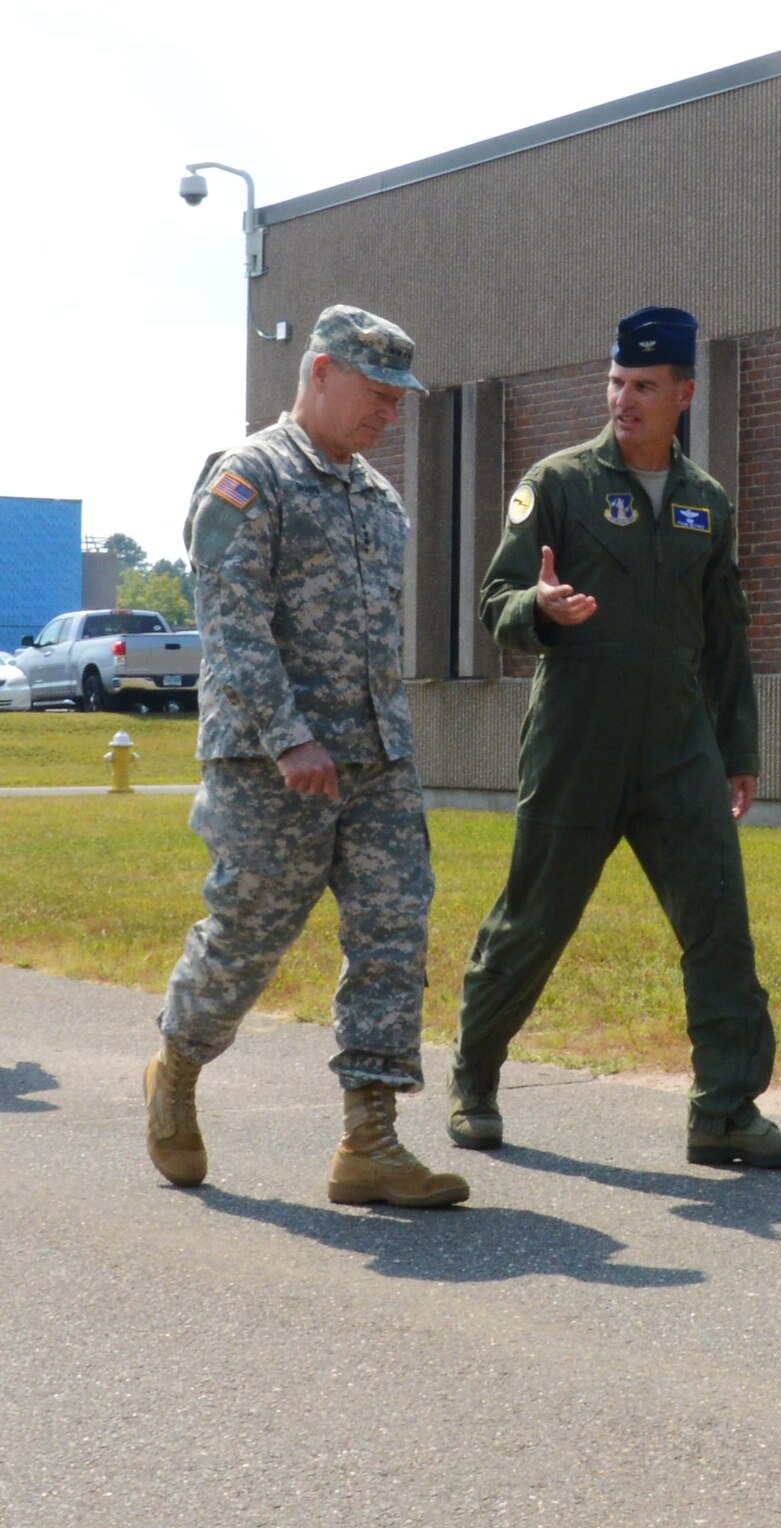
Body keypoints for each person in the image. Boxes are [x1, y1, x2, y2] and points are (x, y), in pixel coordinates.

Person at [449, 305, 781, 1169]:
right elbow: (495, 602)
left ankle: (726, 1112)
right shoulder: (560, 483)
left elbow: (727, 637)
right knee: (534, 922)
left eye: (644, 387)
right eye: (616, 383)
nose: (625, 399)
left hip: (678, 748)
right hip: (576, 741)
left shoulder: (706, 503)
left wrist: (739, 753)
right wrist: (535, 610)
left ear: (683, 394)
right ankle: (474, 1080)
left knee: (718, 924)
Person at [144, 305, 469, 1210]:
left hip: (375, 760)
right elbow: (231, 621)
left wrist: (380, 741)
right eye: (377, 393)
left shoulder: (380, 498)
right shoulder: (252, 475)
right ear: (320, 371)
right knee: (247, 935)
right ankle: (176, 1064)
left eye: (400, 401)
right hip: (268, 760)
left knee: (392, 934)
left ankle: (370, 1140)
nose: (389, 415)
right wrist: (289, 734)